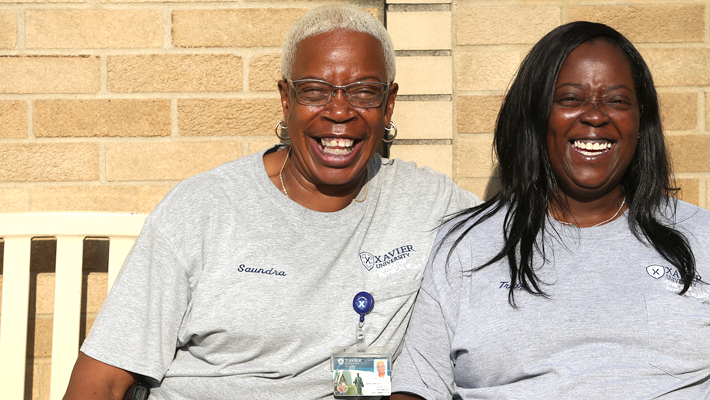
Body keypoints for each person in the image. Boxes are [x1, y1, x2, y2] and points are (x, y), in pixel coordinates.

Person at [63, 5, 478, 400]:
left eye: (364, 93)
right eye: (315, 91)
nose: (339, 111)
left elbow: (525, 236)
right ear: (286, 98)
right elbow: (103, 377)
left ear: (388, 104)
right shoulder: (203, 208)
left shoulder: (428, 203)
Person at [390, 21, 710, 399]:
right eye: (571, 98)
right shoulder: (465, 249)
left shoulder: (706, 241)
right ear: (536, 116)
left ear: (640, 121)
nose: (594, 116)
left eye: (616, 101)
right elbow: (418, 386)